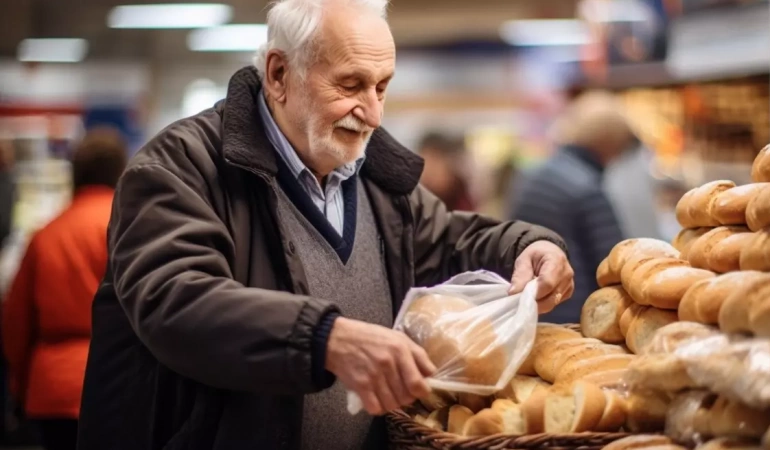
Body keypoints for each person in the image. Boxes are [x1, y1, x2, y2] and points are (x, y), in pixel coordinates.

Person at [77, 1, 575, 449]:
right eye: (351, 84)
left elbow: (450, 239)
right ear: (278, 74)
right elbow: (176, 300)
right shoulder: (178, 169)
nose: (375, 113)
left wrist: (527, 246)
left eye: (382, 86)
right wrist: (322, 338)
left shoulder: (371, 177)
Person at [2, 127, 127, 450]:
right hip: (119, 383)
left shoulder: (46, 236)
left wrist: (18, 386)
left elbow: (15, 324)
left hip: (52, 390)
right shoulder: (131, 229)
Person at [509, 90, 635, 324]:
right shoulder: (587, 188)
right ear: (610, 143)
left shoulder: (534, 175)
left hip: (531, 308)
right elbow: (615, 264)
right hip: (573, 315)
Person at [417, 132, 476, 211]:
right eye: (424, 163)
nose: (429, 170)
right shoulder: (417, 197)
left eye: (435, 161)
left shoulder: (462, 199)